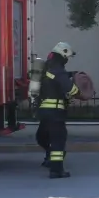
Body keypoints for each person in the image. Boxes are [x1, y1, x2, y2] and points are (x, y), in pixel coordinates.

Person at [37, 42, 80, 179]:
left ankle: (49, 158)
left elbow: (54, 80)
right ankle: (56, 170)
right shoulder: (58, 70)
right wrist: (79, 88)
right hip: (56, 112)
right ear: (63, 55)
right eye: (67, 57)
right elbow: (71, 89)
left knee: (42, 136)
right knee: (58, 141)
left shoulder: (47, 68)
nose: (67, 60)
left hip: (43, 111)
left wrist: (70, 74)